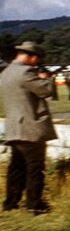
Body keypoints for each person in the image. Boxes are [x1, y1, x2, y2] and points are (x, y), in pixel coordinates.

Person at [0, 41, 57, 214]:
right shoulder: (26, 72)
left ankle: (11, 202)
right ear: (32, 57)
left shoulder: (6, 72)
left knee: (16, 168)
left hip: (14, 127)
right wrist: (46, 78)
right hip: (30, 128)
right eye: (36, 60)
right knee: (34, 168)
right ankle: (34, 204)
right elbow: (45, 91)